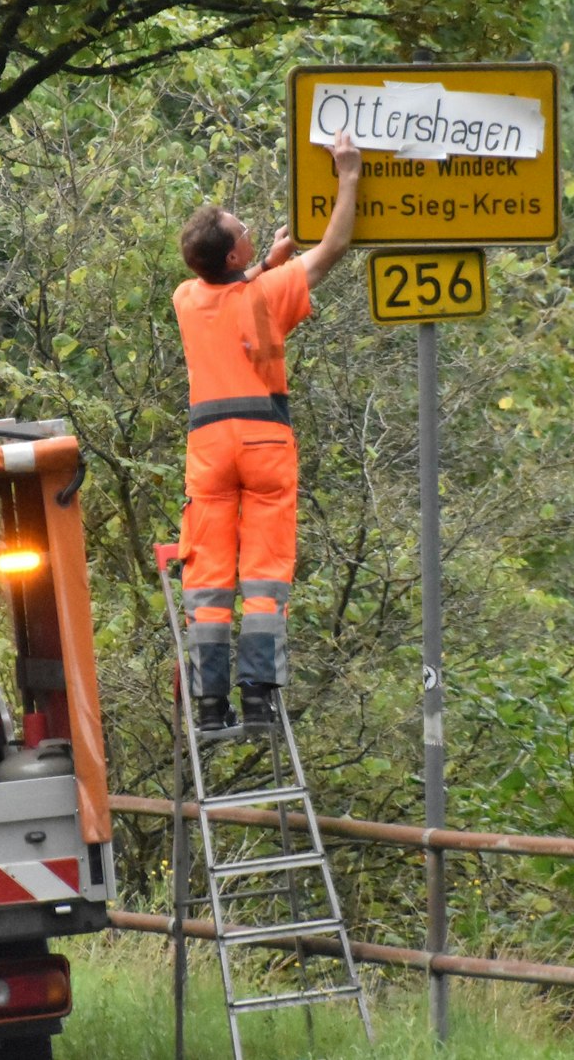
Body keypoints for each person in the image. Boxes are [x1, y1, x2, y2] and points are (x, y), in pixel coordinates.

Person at [173, 130, 364, 733]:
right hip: (264, 445)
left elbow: (228, 291)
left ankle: (209, 706)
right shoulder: (273, 292)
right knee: (263, 575)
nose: (252, 232)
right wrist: (350, 174)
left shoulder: (185, 297)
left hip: (208, 450)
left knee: (207, 582)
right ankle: (258, 697)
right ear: (232, 256)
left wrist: (262, 264)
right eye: (244, 230)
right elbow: (334, 246)